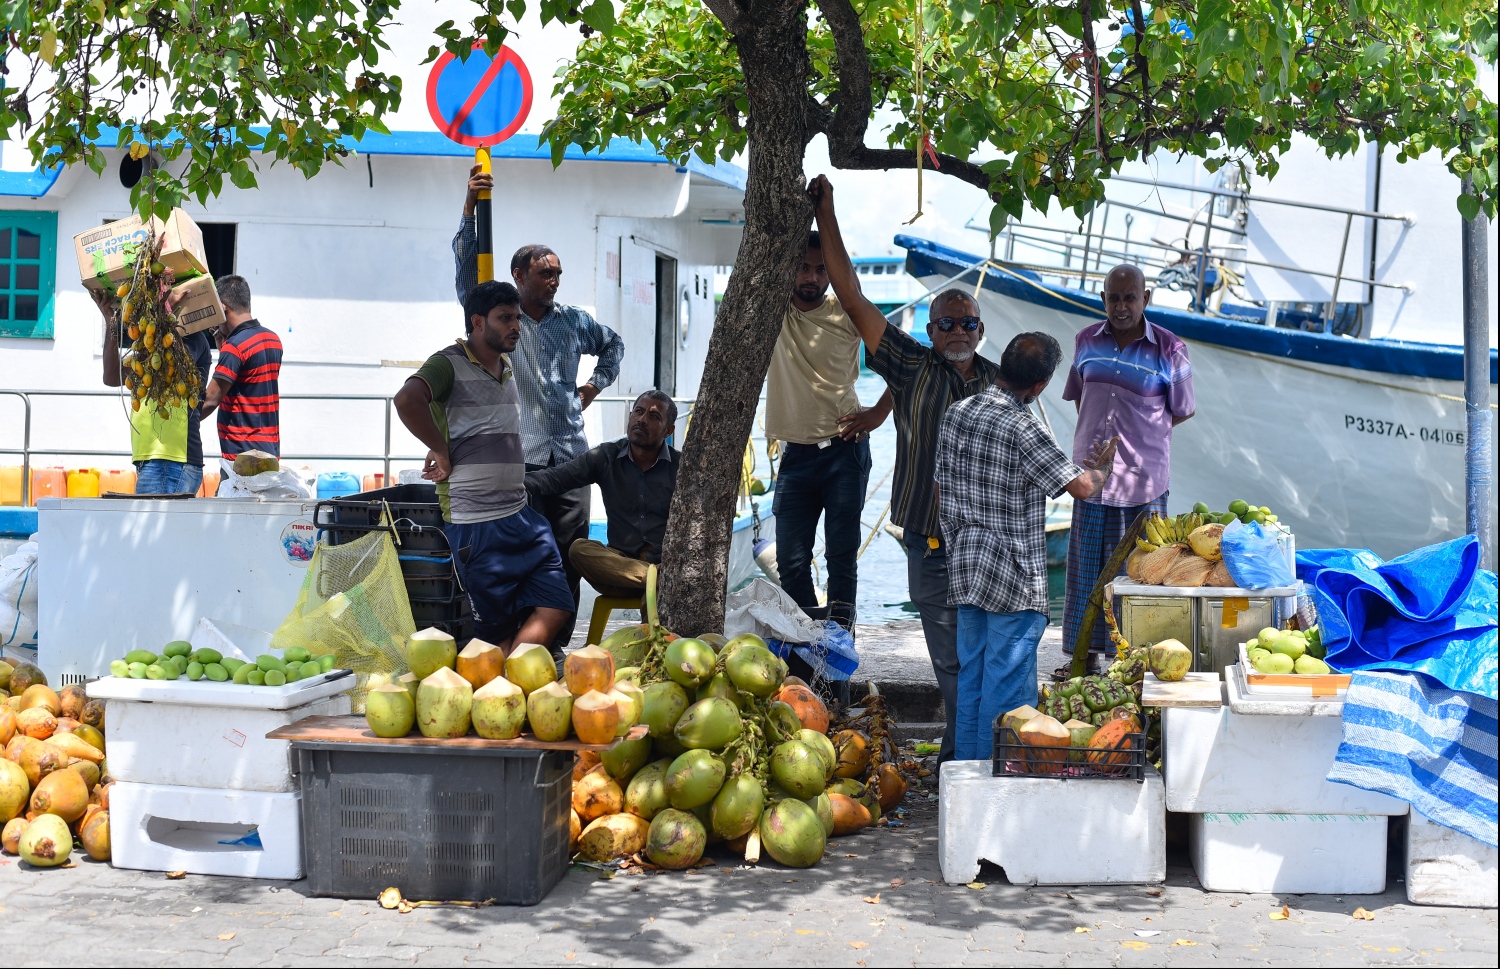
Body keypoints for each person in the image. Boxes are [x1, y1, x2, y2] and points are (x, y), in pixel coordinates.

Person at [809, 173, 1003, 766]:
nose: (956, 331)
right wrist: (828, 216)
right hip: (932, 539)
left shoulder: (1000, 383)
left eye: (966, 322)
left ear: (980, 329)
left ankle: (963, 756)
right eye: (944, 322)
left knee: (986, 655)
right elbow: (851, 292)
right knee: (948, 657)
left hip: (988, 543)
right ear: (929, 329)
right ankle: (967, 757)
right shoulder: (911, 367)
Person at [936, 332, 1119, 761]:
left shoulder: (957, 413)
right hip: (1012, 576)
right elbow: (1082, 486)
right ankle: (995, 786)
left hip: (965, 567)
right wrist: (1104, 467)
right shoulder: (1023, 427)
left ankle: (966, 779)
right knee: (1006, 690)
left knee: (973, 681)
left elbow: (941, 490)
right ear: (1040, 386)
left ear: (1002, 366)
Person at [392, 280, 575, 651]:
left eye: (517, 319)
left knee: (557, 604)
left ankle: (511, 676)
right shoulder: (448, 363)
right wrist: (439, 448)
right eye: (505, 318)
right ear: (478, 322)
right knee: (496, 633)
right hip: (475, 523)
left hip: (519, 514)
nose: (516, 327)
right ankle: (506, 690)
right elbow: (407, 399)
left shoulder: (505, 364)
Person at [1060, 264, 1195, 666]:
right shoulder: (1085, 341)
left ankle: (1135, 662)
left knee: (1141, 576)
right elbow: (1080, 396)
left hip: (1143, 484)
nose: (1121, 306)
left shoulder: (1171, 349)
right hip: (1092, 480)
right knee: (1086, 574)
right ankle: (1084, 660)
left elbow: (1182, 410)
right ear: (1103, 300)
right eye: (1114, 298)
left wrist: (1143, 437)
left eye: (1130, 298)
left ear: (1145, 299)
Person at [765, 231, 892, 628]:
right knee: (791, 563)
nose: (812, 277)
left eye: (821, 270)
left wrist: (878, 414)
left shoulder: (849, 313)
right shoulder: (774, 311)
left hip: (845, 450)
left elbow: (906, 367)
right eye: (803, 267)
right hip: (796, 455)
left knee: (841, 560)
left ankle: (838, 650)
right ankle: (807, 644)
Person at [525, 390, 679, 600]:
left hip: (665, 562)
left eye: (654, 417)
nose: (642, 420)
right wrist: (514, 484)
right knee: (579, 549)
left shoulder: (682, 467)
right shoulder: (606, 456)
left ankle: (658, 582)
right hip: (618, 571)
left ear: (668, 431)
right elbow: (557, 477)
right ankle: (657, 579)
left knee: (658, 597)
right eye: (638, 412)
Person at [94, 287, 213, 495]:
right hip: (154, 460)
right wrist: (111, 322)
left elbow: (171, 364)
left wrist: (167, 310)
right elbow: (112, 376)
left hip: (171, 461)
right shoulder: (149, 348)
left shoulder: (191, 337)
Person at [199, 275, 283, 476]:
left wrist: (182, 423)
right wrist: (224, 348)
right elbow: (248, 386)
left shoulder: (236, 346)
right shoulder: (273, 339)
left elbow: (210, 400)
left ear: (222, 307)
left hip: (241, 460)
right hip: (269, 455)